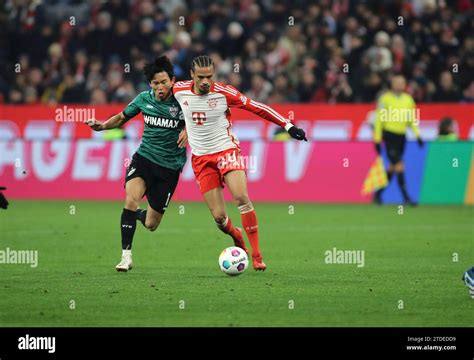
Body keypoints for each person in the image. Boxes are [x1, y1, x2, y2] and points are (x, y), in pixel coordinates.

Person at [173, 55, 307, 271]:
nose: (206, 81)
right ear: (192, 75)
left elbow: (257, 107)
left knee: (242, 197)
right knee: (219, 218)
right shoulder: (178, 90)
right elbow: (165, 108)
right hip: (201, 158)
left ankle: (256, 256)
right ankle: (237, 237)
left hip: (226, 150)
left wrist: (288, 125)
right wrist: (184, 127)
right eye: (201, 77)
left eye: (209, 76)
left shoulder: (224, 93)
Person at [86, 56, 188, 272]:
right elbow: (122, 117)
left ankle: (139, 216)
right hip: (144, 159)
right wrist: (103, 126)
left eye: (163, 82)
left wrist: (189, 130)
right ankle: (126, 256)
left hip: (169, 167)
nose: (159, 87)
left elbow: (202, 121)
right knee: (131, 200)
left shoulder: (184, 101)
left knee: (151, 224)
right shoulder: (144, 99)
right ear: (150, 84)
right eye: (155, 83)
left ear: (172, 80)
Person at [373, 74, 423, 205]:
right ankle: (406, 197)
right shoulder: (385, 99)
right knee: (399, 165)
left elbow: (412, 120)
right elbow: (379, 120)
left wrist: (418, 135)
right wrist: (377, 139)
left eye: (402, 82)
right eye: (397, 82)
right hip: (389, 135)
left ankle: (378, 194)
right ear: (392, 84)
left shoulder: (408, 99)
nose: (400, 85)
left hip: (402, 136)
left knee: (392, 167)